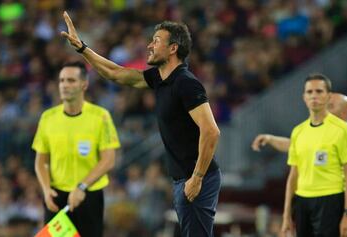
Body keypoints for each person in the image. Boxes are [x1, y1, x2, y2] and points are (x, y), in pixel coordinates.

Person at [61, 12, 221, 237]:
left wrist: (197, 177)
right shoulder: (160, 78)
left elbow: (211, 131)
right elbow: (116, 73)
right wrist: (82, 48)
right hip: (184, 179)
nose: (149, 45)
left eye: (156, 41)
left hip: (196, 179)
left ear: (173, 48)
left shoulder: (186, 83)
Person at [251, 93, 347, 237]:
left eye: (331, 106)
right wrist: (270, 139)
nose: (326, 110)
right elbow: (294, 145)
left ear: (344, 113)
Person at [32, 61, 121, 237]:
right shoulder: (48, 118)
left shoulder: (100, 116)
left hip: (89, 195)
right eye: (62, 80)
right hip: (56, 197)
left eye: (71, 80)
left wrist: (82, 187)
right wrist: (46, 190)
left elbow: (108, 160)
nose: (64, 85)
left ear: (84, 84)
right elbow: (41, 162)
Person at [274, 74, 347, 237]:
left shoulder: (342, 129)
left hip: (330, 199)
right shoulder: (298, 131)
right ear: (304, 97)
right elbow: (293, 176)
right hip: (302, 201)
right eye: (310, 92)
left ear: (328, 96)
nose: (314, 96)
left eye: (319, 91)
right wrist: (286, 216)